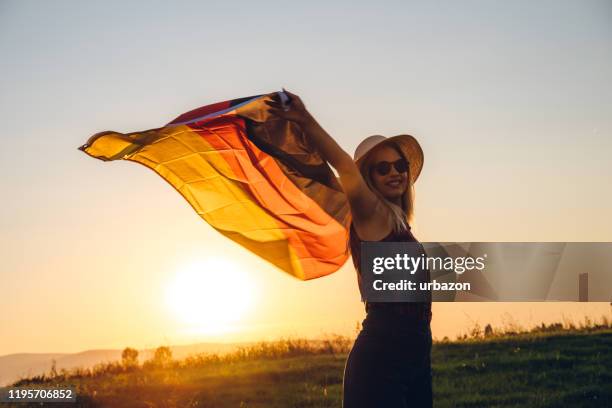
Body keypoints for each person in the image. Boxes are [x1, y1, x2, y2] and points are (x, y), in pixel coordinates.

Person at [266, 90, 433, 407]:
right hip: (381, 358)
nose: (394, 172)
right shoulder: (371, 214)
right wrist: (304, 119)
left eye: (399, 165)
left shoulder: (399, 225)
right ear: (367, 178)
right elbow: (343, 165)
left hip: (415, 356)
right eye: (381, 168)